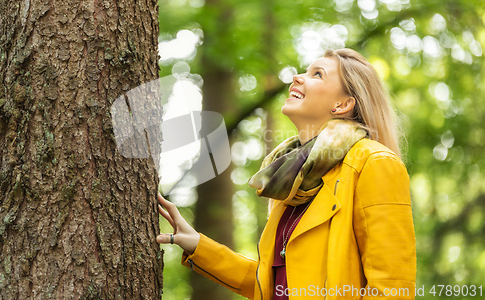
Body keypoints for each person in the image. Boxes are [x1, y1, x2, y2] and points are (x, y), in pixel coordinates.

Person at [157, 48, 416, 300]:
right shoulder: (288, 179)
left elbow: (392, 287)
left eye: (317, 74)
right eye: (305, 70)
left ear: (343, 104)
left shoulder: (374, 163)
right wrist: (197, 245)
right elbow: (267, 284)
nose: (298, 77)